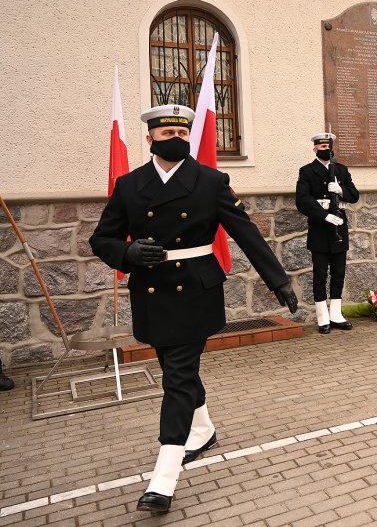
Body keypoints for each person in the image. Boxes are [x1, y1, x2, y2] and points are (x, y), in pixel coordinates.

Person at [90, 104, 297, 513]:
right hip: (152, 292)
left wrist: (279, 280)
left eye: (182, 134)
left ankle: (164, 478)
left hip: (194, 292)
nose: (177, 140)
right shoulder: (129, 185)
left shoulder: (210, 181)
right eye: (166, 135)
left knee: (178, 377)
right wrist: (128, 252)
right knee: (176, 371)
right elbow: (102, 239)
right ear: (149, 140)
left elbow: (245, 232)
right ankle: (202, 430)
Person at [295, 132, 360, 334]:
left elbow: (355, 195)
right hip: (320, 227)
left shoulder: (341, 170)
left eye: (328, 147)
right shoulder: (307, 171)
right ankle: (323, 316)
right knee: (320, 273)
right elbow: (302, 200)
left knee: (339, 272)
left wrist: (340, 190)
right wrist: (323, 216)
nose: (326, 150)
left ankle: (336, 314)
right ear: (315, 148)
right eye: (322, 147)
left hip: (339, 224)